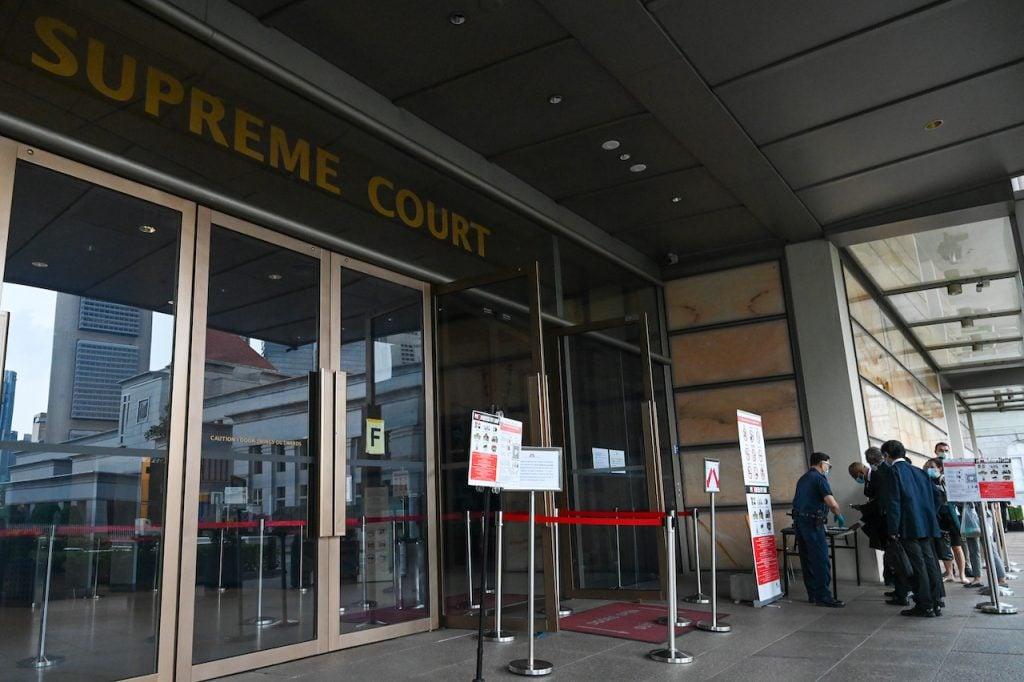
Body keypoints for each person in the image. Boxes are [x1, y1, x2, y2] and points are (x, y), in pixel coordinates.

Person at [879, 440, 944, 617]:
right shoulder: (919, 472)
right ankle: (936, 601)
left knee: (918, 565)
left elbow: (894, 503)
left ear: (886, 455)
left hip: (908, 525)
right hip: (926, 523)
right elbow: (938, 495)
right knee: (930, 562)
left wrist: (893, 529)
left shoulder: (893, 472)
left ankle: (925, 604)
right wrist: (929, 514)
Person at [791, 452, 845, 608]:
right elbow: (832, 503)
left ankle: (813, 595)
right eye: (828, 465)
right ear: (822, 464)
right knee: (821, 561)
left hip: (800, 523)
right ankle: (823, 597)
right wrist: (838, 515)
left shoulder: (803, 478)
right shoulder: (819, 479)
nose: (828, 468)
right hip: (813, 524)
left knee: (807, 560)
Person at [923, 458, 969, 584]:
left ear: (940, 468)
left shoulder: (947, 480)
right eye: (927, 466)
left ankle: (962, 574)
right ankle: (949, 573)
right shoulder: (928, 481)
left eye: (931, 466)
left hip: (951, 515)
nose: (929, 469)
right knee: (943, 547)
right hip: (938, 517)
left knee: (956, 546)